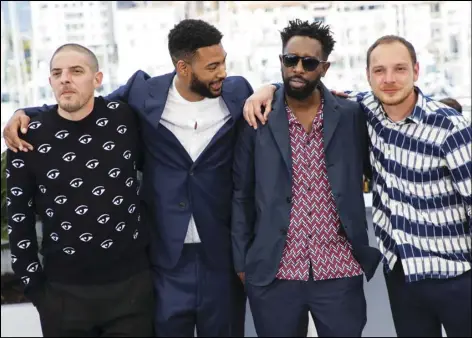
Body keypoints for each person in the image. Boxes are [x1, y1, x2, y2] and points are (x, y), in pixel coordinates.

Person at [2, 19, 270, 337]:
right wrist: (26, 113)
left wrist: (273, 87)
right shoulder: (142, 93)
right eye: (213, 66)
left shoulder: (237, 90)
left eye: (223, 62)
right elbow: (83, 104)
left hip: (206, 257)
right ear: (184, 67)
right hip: (148, 263)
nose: (222, 72)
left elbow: (279, 99)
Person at [243, 34, 472, 337]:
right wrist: (269, 88)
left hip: (456, 276)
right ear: (368, 76)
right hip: (403, 275)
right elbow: (305, 86)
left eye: (400, 69)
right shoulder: (364, 110)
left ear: (416, 71)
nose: (389, 79)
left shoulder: (451, 128)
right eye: (379, 71)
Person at [232, 19, 381, 337]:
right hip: (274, 272)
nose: (297, 68)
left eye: (309, 62)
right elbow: (241, 193)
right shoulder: (257, 117)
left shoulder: (351, 115)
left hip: (339, 269)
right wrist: (243, 263)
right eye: (290, 59)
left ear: (324, 68)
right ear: (281, 61)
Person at [6, 43, 153, 337]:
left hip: (132, 289)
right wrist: (36, 290)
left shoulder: (124, 119)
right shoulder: (28, 136)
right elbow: (18, 217)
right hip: (62, 294)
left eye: (76, 71)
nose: (65, 79)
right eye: (57, 73)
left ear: (97, 79)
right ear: (50, 81)